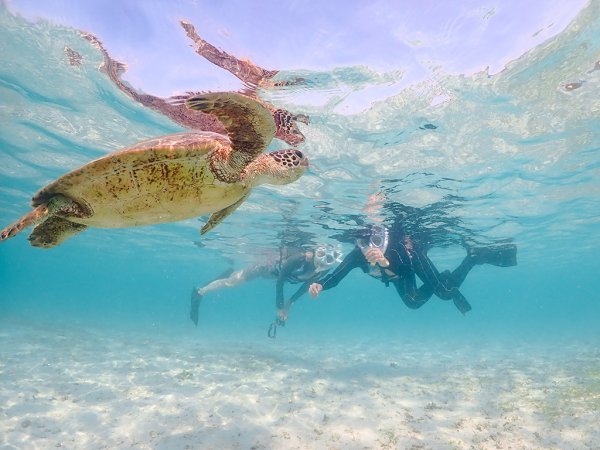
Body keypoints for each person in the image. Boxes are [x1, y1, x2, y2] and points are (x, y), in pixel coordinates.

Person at [81, 21, 308, 146]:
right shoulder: (257, 88)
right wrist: (196, 40)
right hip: (200, 110)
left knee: (148, 101)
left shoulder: (263, 112)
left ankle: (109, 65)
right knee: (148, 100)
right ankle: (107, 61)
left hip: (202, 115)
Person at [309, 223, 517, 314]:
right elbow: (337, 275)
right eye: (364, 244)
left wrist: (384, 263)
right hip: (396, 277)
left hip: (411, 262)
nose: (370, 247)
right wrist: (320, 284)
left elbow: (407, 270)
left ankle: (473, 258)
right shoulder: (356, 255)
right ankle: (444, 278)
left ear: (384, 238)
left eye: (376, 240)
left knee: (444, 294)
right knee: (413, 303)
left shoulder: (396, 248)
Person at [189, 244, 343, 334]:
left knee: (233, 279)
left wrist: (289, 304)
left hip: (272, 275)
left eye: (330, 258)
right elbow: (281, 281)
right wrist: (279, 307)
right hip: (264, 268)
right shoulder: (299, 259)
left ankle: (227, 275)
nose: (324, 261)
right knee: (232, 283)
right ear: (316, 251)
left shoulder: (324, 269)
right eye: (322, 254)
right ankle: (198, 292)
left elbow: (305, 287)